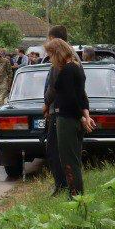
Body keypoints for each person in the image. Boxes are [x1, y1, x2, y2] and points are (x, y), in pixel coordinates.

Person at [43, 38, 93, 196]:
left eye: (50, 55)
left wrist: (81, 117)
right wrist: (86, 114)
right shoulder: (76, 67)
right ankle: (77, 196)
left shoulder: (66, 70)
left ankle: (75, 197)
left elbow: (71, 98)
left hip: (67, 119)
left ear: (57, 53)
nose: (50, 59)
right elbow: (82, 96)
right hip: (73, 118)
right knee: (74, 159)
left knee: (69, 162)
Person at [43, 25, 71, 194]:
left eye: (49, 39)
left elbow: (54, 87)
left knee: (54, 149)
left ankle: (62, 185)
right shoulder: (68, 57)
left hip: (60, 110)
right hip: (58, 110)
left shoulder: (61, 60)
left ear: (55, 40)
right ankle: (63, 184)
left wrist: (46, 104)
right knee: (58, 149)